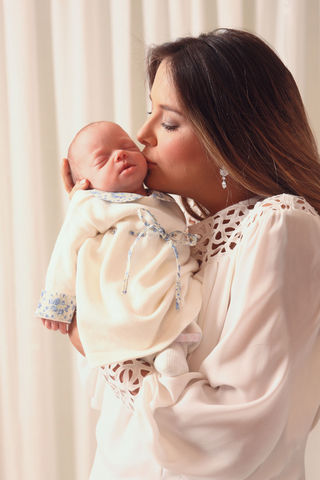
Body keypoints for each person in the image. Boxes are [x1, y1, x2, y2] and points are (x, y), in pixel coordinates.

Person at [62, 29, 320, 479]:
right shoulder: (179, 237)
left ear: (230, 137)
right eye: (149, 114)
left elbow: (236, 427)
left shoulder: (281, 226)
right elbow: (120, 420)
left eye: (168, 122)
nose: (141, 136)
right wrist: (99, 224)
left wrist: (98, 346)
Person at [36, 121, 202, 379]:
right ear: (85, 183)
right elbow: (67, 248)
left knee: (182, 302)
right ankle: (144, 355)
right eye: (103, 160)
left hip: (162, 278)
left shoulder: (164, 198)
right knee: (120, 317)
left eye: (127, 147)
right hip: (122, 287)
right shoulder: (91, 204)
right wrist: (59, 298)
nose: (121, 155)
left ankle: (172, 350)